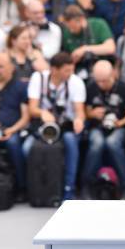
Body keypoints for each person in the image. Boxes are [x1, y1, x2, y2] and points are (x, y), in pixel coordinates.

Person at [25, 52, 86, 201]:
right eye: (66, 70)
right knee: (26, 149)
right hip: (44, 127)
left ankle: (68, 189)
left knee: (71, 142)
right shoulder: (38, 78)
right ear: (54, 69)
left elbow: (80, 112)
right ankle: (34, 189)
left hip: (66, 126)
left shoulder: (75, 81)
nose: (70, 73)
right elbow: (32, 109)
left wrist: (79, 120)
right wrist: (42, 112)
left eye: (72, 69)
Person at [83, 60, 125, 200]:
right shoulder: (91, 87)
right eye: (98, 81)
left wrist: (120, 122)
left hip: (119, 126)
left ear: (113, 74)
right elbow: (85, 112)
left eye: (104, 81)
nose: (101, 84)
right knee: (96, 144)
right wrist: (93, 114)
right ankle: (86, 184)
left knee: (112, 143)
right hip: (97, 126)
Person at [0, 53, 30, 201]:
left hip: (12, 130)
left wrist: (12, 130)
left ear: (11, 68)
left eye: (0, 67)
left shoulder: (20, 86)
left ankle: (22, 187)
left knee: (14, 144)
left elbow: (25, 117)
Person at [60, 5, 116, 81]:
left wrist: (85, 49)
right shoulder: (67, 33)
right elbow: (67, 56)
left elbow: (110, 48)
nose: (71, 30)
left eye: (73, 27)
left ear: (81, 20)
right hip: (79, 69)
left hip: (101, 64)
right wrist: (73, 58)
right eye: (68, 27)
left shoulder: (98, 24)